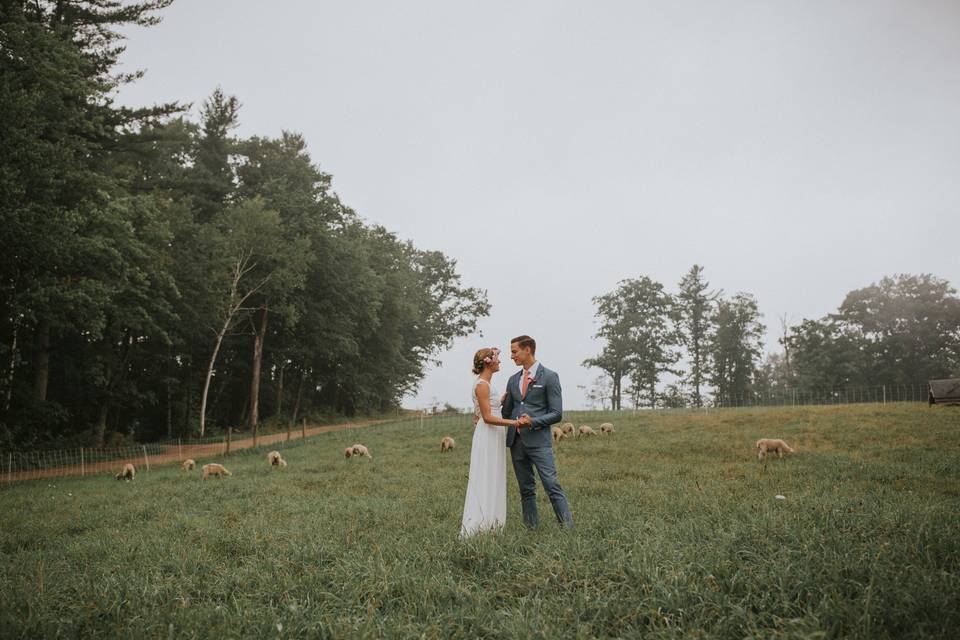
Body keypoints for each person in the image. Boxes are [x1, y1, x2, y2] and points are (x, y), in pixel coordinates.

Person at [501, 335, 574, 528]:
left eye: (514, 351)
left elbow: (557, 414)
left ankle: (568, 528)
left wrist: (532, 422)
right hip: (516, 443)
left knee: (551, 485)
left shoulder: (550, 376)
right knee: (526, 489)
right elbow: (507, 412)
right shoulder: (512, 380)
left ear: (528, 350)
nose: (511, 356)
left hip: (539, 442)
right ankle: (531, 529)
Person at [460, 347, 520, 537]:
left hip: (494, 434)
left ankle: (492, 524)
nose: (500, 361)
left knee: (493, 474)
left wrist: (500, 401)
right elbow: (487, 417)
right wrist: (516, 422)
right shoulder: (482, 385)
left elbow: (488, 407)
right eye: (497, 358)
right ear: (488, 362)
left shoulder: (486, 384)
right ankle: (480, 524)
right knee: (485, 475)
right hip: (488, 432)